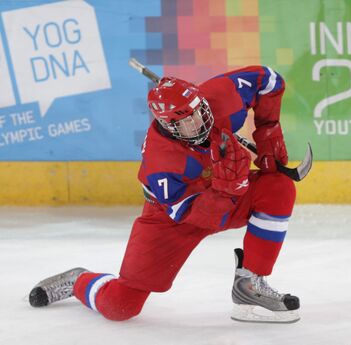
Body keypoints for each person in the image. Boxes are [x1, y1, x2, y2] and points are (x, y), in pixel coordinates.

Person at [28, 66, 300, 323]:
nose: (198, 122)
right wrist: (227, 190)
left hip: (221, 191)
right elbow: (198, 217)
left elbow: (269, 80)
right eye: (185, 122)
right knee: (120, 306)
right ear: (169, 127)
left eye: (198, 111)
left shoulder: (221, 95)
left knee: (278, 187)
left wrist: (268, 134)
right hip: (172, 218)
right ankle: (79, 281)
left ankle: (250, 285)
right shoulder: (162, 161)